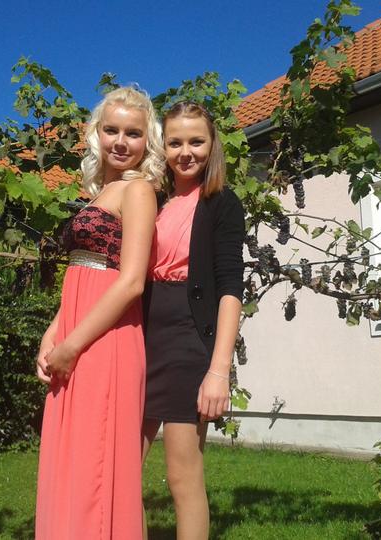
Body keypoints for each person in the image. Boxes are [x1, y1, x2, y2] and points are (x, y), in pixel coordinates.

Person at [35, 86, 164, 540]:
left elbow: (130, 282)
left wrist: (72, 344)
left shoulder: (138, 191)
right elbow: (82, 271)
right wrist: (54, 332)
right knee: (72, 460)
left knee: (95, 467)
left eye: (133, 133)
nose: (121, 142)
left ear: (147, 141)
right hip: (78, 336)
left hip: (106, 343)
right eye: (112, 130)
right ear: (96, 133)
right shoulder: (100, 193)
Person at [142, 101, 245, 539]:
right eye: (175, 142)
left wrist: (219, 371)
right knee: (120, 470)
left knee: (182, 475)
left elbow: (230, 288)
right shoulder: (150, 197)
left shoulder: (222, 203)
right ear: (162, 146)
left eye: (196, 141)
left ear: (212, 144)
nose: (186, 152)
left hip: (188, 340)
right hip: (139, 334)